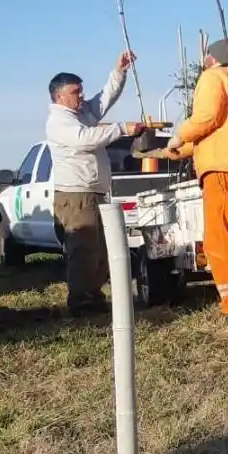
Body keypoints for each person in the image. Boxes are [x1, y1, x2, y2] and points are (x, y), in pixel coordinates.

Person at [166, 37, 228, 318]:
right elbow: (220, 129)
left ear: (212, 58)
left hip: (223, 171)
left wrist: (180, 134)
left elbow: (207, 118)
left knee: (219, 241)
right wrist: (177, 149)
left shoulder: (213, 77)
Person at [45, 51, 144, 317]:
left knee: (100, 251)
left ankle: (94, 297)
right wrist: (122, 129)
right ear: (59, 96)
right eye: (76, 92)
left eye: (81, 90)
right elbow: (85, 139)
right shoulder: (59, 121)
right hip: (77, 196)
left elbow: (103, 99)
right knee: (84, 251)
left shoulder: (78, 114)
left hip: (94, 192)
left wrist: (119, 71)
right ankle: (82, 303)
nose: (82, 96)